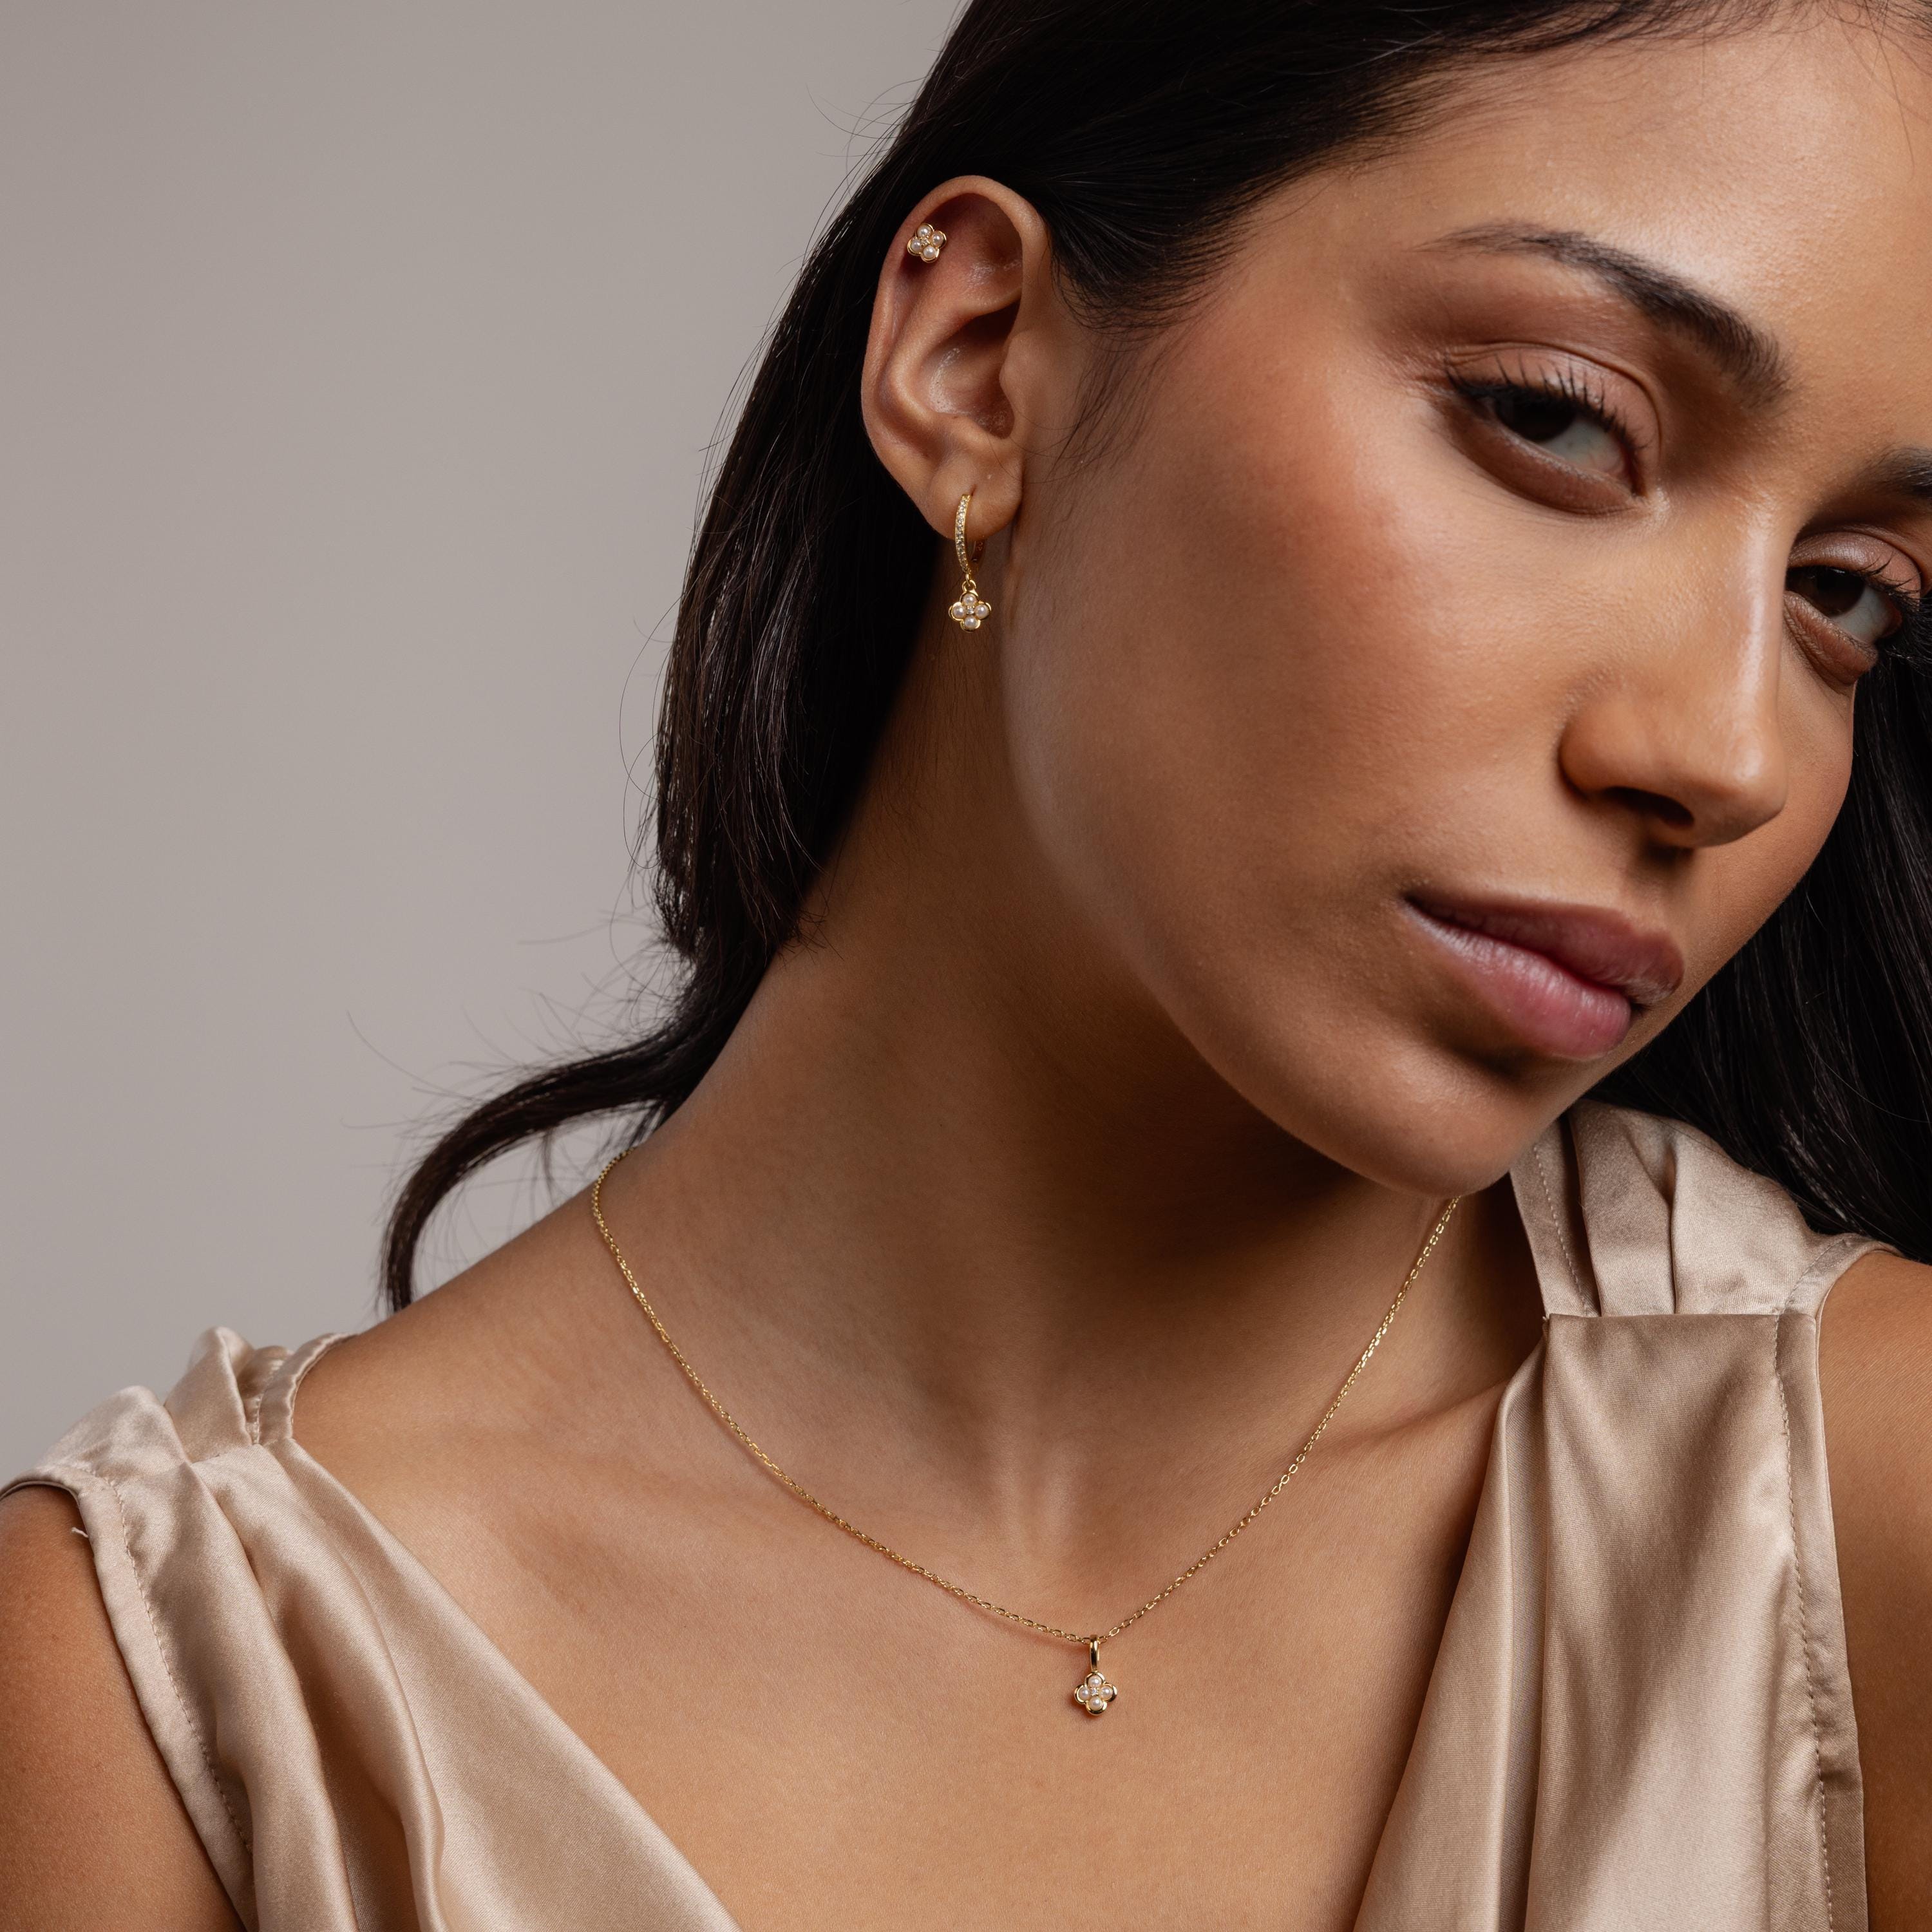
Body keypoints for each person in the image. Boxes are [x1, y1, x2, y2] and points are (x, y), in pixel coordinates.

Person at [5, 1, 1931, 1926]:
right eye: (1555, 418)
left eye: (1847, 594)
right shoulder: (153, 1712)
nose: (1728, 753)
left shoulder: (1858, 1526)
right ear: (982, 365)